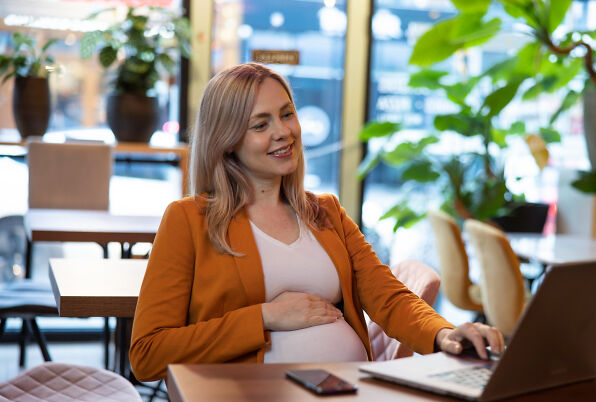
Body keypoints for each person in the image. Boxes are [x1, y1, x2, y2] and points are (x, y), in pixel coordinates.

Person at [129, 63, 504, 382]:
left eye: (287, 114)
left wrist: (446, 333)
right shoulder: (189, 220)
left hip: (347, 401)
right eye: (260, 124)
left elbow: (387, 296)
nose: (283, 132)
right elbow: (148, 353)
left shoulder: (325, 212)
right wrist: (265, 317)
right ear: (227, 141)